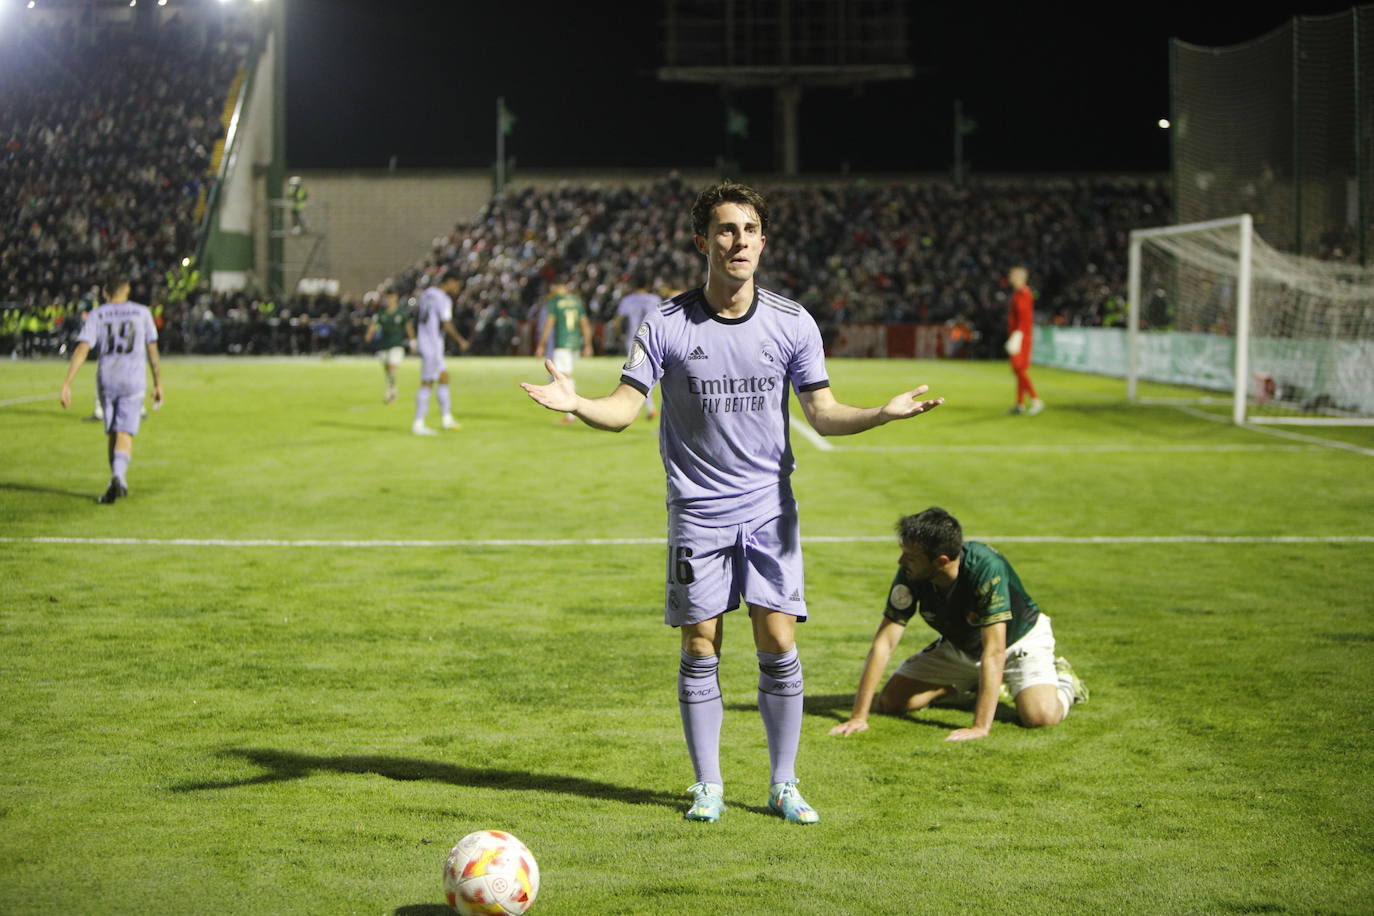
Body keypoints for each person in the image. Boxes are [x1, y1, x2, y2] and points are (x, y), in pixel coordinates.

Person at [521, 181, 944, 825]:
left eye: (749, 229)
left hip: (770, 509)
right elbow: (625, 408)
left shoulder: (792, 321)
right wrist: (577, 404)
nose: (738, 240)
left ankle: (782, 784)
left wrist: (880, 414)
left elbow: (824, 414)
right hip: (698, 510)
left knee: (777, 638)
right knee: (699, 645)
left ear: (762, 242)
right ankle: (709, 785)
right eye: (725, 229)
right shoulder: (665, 323)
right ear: (703, 242)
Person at [829, 506, 1087, 743]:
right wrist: (858, 717)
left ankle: (1065, 681)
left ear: (941, 561)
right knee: (892, 702)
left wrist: (980, 726)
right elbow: (885, 642)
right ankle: (970, 683)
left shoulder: (987, 568)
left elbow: (995, 650)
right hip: (962, 646)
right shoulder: (913, 571)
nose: (900, 561)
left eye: (910, 556)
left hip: (1018, 642)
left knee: (1039, 717)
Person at [58, 277, 163, 504]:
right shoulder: (142, 312)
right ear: (128, 291)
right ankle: (118, 476)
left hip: (108, 378)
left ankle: (115, 480)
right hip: (133, 379)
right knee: (125, 432)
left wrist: (67, 383)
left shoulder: (99, 314)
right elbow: (151, 348)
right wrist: (158, 383)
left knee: (113, 432)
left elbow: (82, 348)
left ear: (106, 292)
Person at [412, 271, 471, 435]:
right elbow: (445, 323)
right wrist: (460, 340)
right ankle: (418, 424)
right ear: (449, 282)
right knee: (428, 382)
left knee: (444, 377)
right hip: (432, 345)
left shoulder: (427, 294)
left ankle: (446, 419)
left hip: (427, 342)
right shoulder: (443, 299)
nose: (458, 288)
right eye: (457, 284)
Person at [535, 281, 594, 424]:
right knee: (559, 375)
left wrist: (541, 344)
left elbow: (549, 323)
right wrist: (588, 344)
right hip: (575, 344)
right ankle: (559, 403)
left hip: (562, 343)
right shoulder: (576, 301)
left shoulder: (555, 302)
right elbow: (585, 323)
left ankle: (571, 414)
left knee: (565, 377)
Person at [612, 275, 661, 419]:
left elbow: (617, 322)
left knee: (639, 375)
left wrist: (620, 335)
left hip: (634, 341)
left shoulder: (627, 300)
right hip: (655, 340)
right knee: (655, 374)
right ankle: (648, 407)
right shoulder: (654, 299)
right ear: (647, 285)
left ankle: (645, 407)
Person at [1005, 266, 1043, 415]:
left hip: (1022, 336)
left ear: (1019, 277)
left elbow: (1024, 316)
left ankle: (1036, 400)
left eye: (1012, 275)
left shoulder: (1024, 294)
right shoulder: (1018, 294)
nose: (1010, 277)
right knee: (1017, 370)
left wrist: (1018, 335)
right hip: (1018, 334)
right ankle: (1019, 404)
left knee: (1019, 368)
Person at [366, 289, 413, 404]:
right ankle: (393, 390)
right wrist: (369, 335)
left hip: (397, 345)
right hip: (384, 345)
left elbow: (408, 327)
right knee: (388, 370)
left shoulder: (401, 313)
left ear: (396, 298)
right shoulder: (380, 313)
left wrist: (413, 341)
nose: (389, 300)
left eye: (391, 297)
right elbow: (373, 325)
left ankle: (389, 393)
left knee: (392, 367)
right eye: (387, 297)